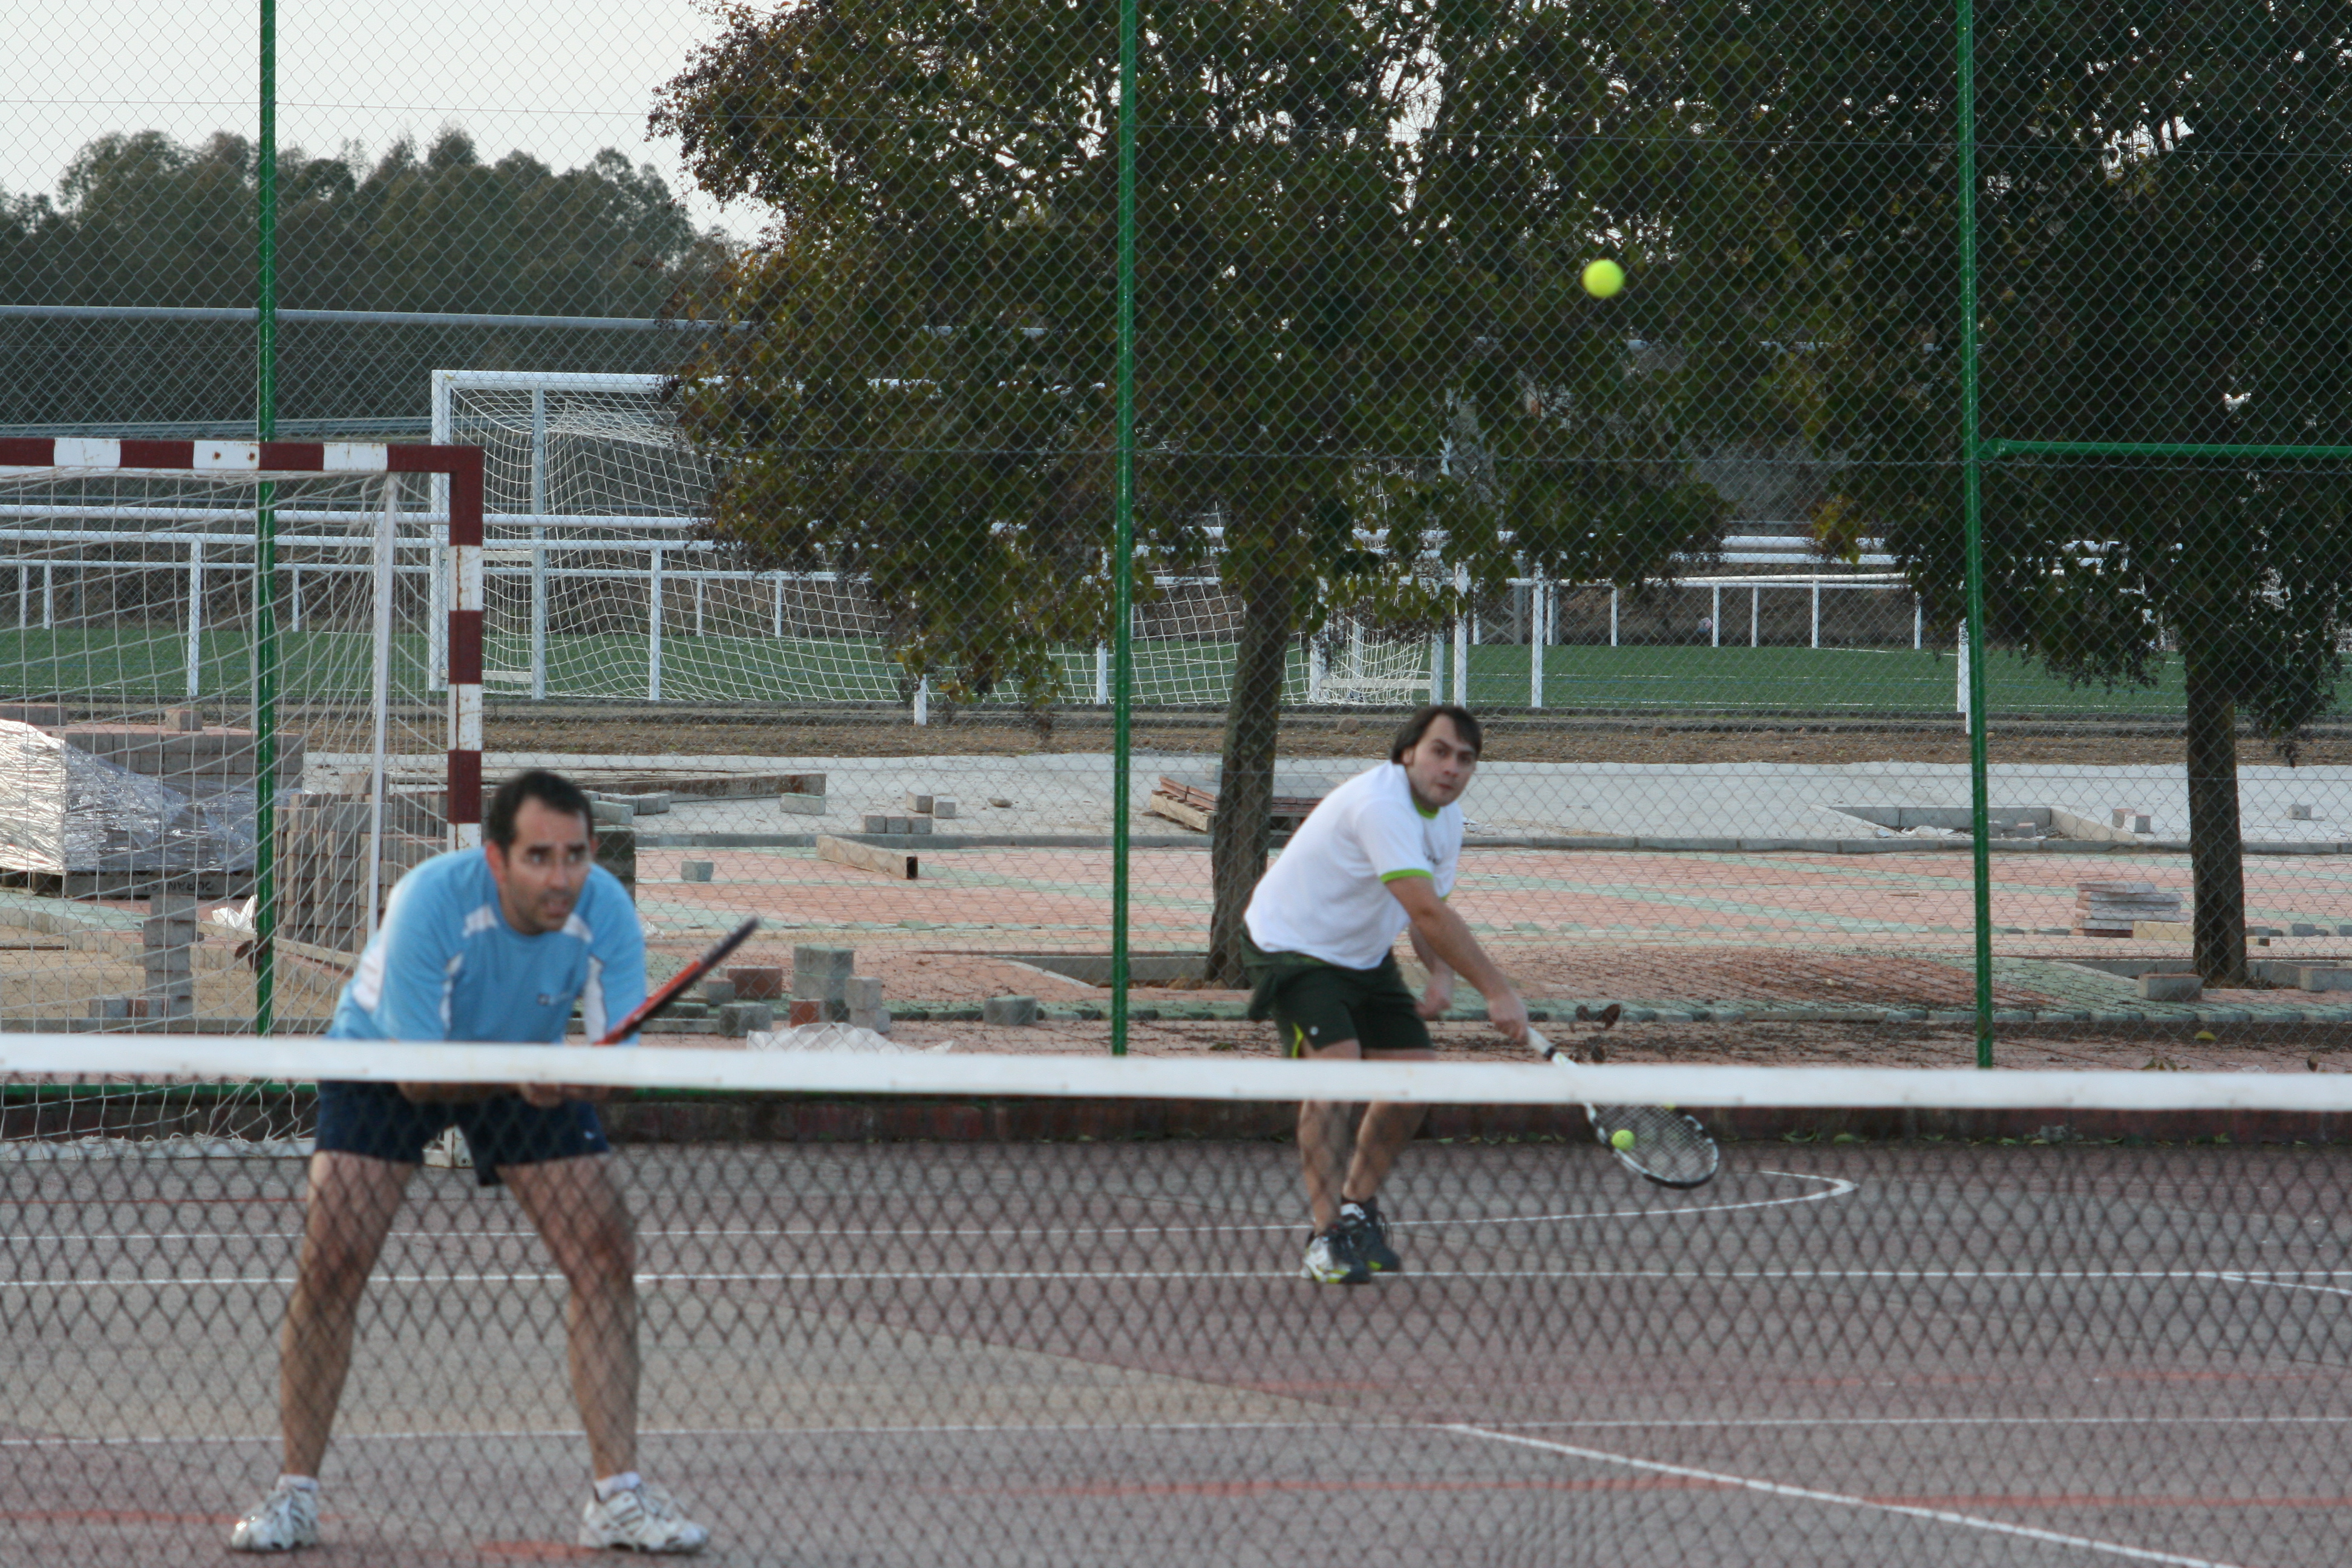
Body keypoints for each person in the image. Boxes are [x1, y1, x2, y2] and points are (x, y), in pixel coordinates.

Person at [229, 769, 709, 1555]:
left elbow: (616, 1061)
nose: (561, 878)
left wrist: (580, 1077)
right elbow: (421, 1076)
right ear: (496, 859)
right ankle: (294, 1495)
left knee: (605, 1251)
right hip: (386, 1062)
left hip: (524, 1065)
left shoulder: (606, 910)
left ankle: (617, 1498)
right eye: (540, 857)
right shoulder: (430, 900)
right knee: (334, 1259)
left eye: (576, 856)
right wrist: (533, 1075)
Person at [1242, 704, 1529, 1285]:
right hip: (1293, 945)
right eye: (1440, 752)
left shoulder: (1447, 821)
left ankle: (1356, 1209)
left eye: (1465, 759)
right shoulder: (1381, 805)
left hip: (1363, 957)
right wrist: (1498, 991)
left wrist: (1442, 975)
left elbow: (1426, 914)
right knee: (1338, 1072)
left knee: (1414, 1079)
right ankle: (1325, 1237)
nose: (1451, 768)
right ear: (1407, 754)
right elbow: (1427, 910)